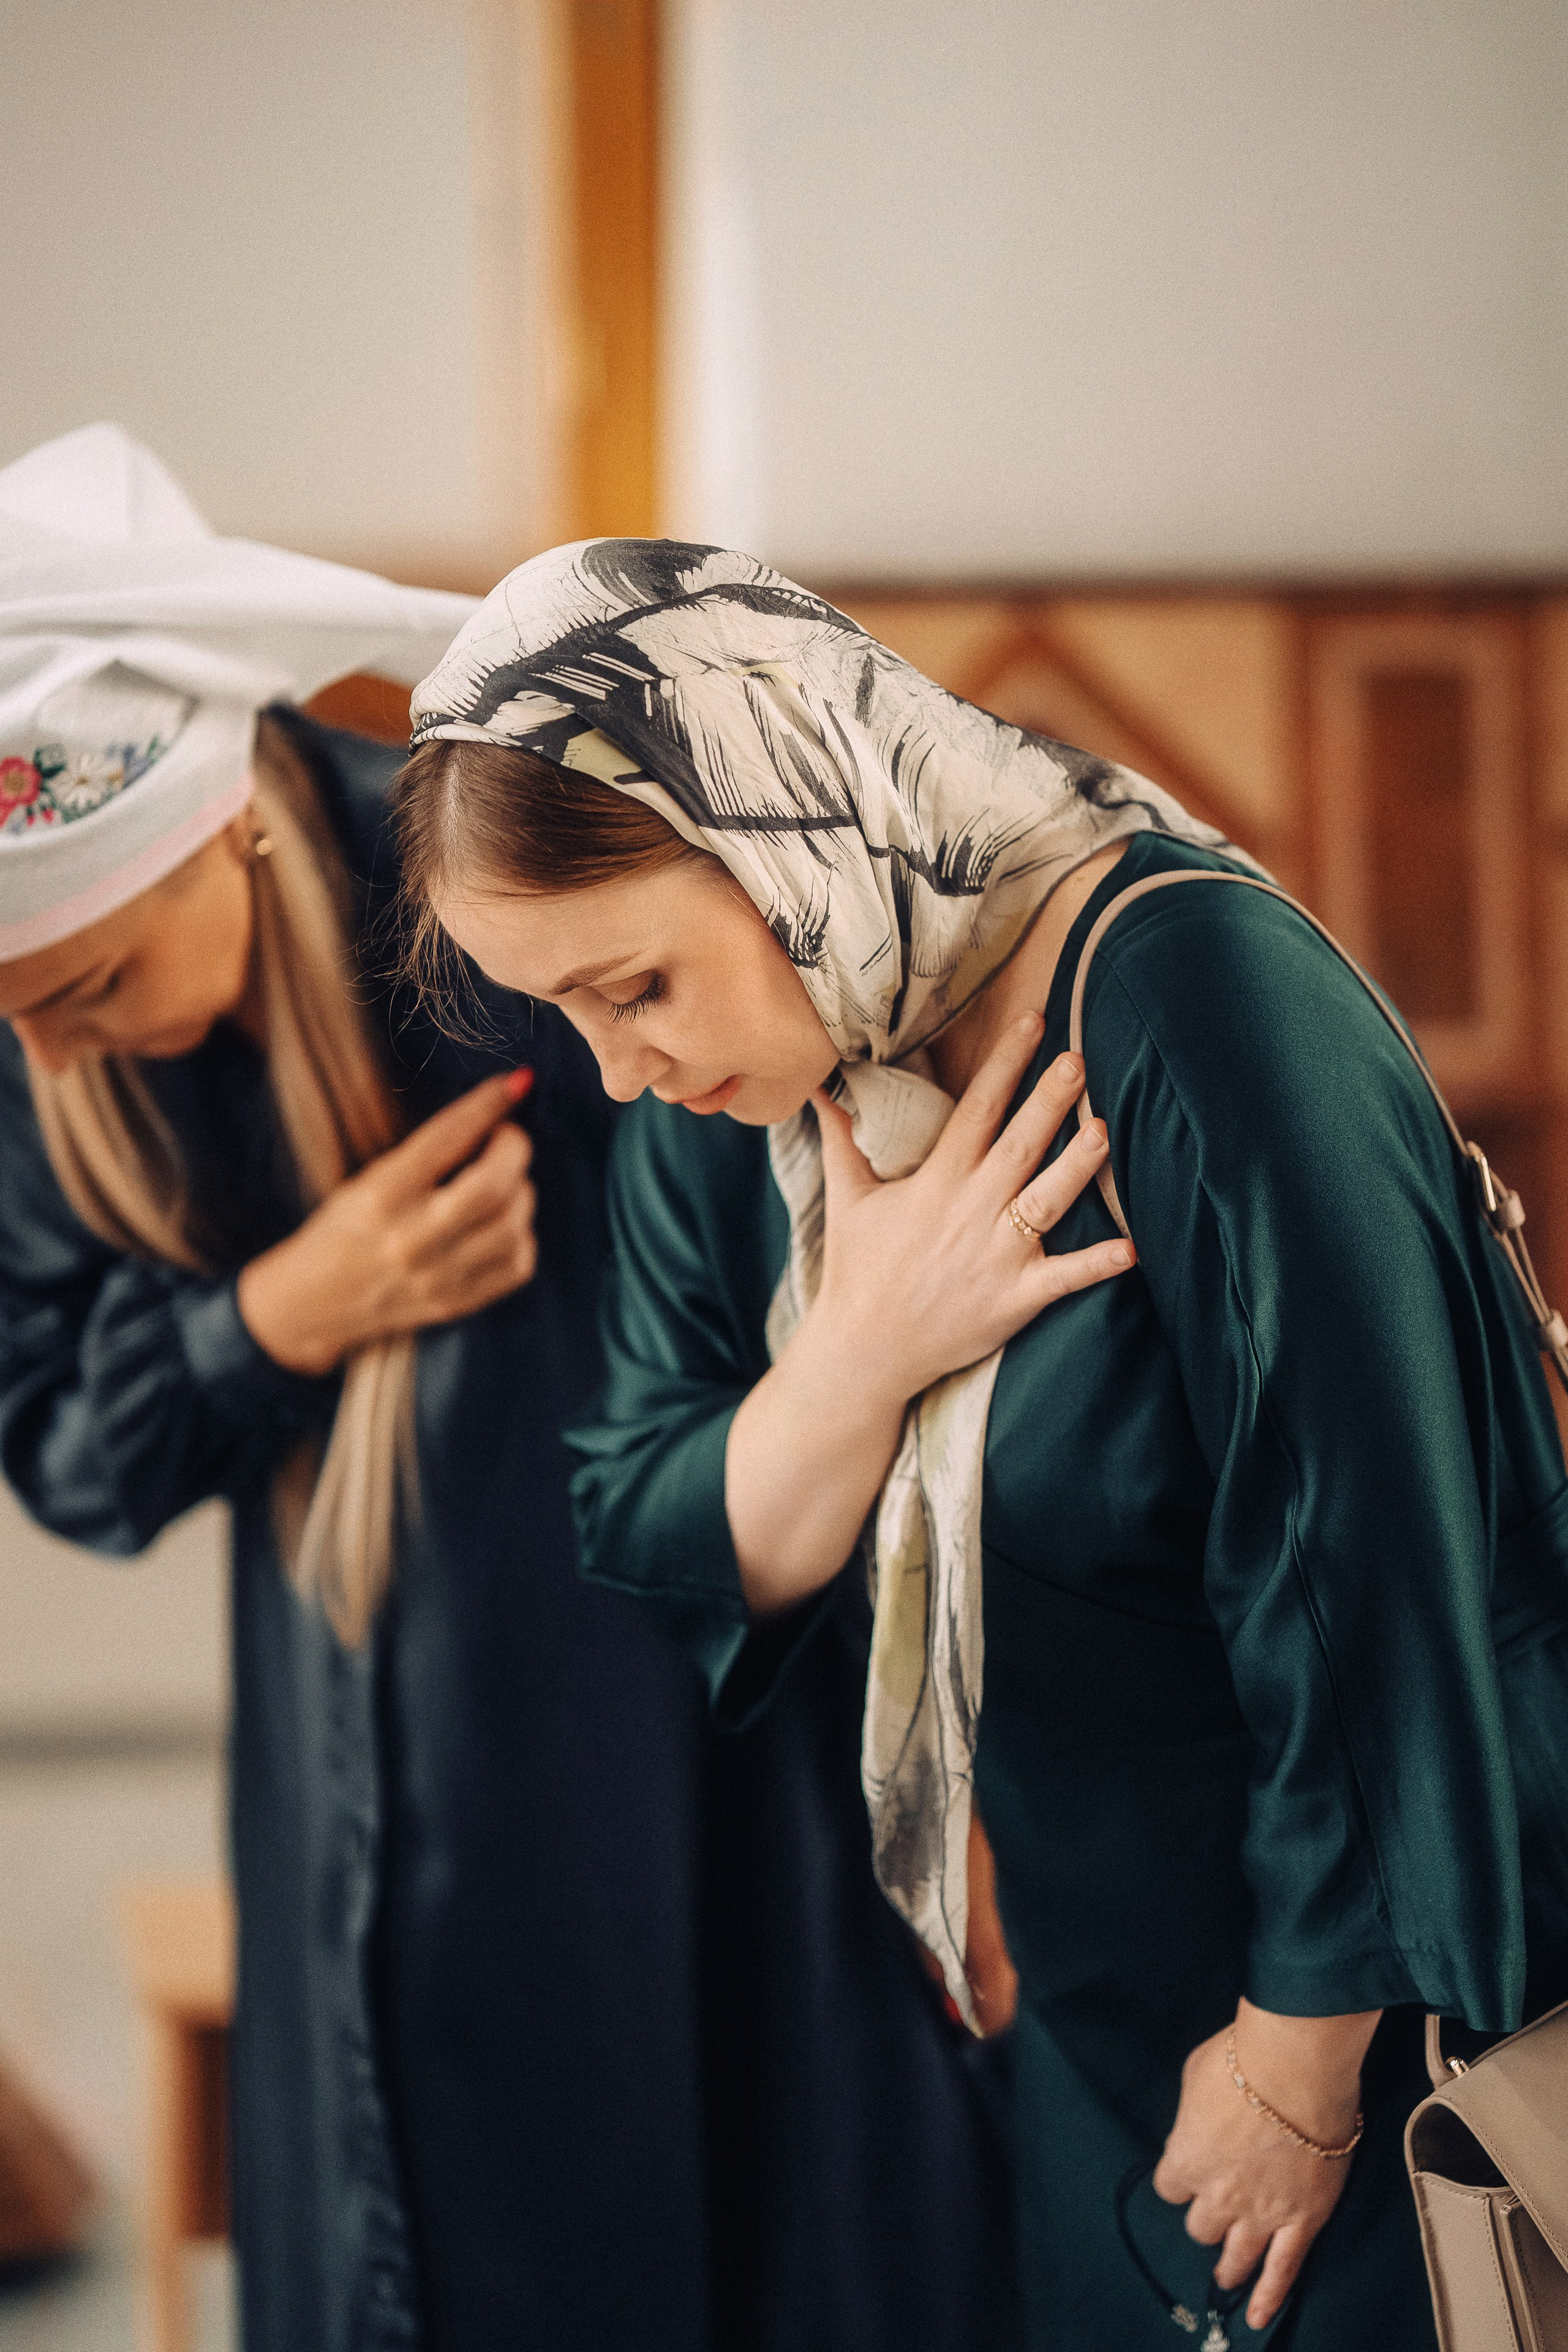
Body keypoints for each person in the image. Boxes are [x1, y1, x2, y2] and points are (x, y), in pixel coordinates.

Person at [393, 536, 1568, 2352]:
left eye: (633, 987)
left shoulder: (1193, 999)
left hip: (1365, 2026)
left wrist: (1295, 2069)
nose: (619, 1068)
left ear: (777, 829)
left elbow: (1376, 1572)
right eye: (563, 1012)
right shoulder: (744, 1102)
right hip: (1083, 2038)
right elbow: (647, 1519)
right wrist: (864, 1352)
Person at [0, 445, 1019, 2351]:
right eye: (20, 1013)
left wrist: (956, 1767)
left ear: (226, 830)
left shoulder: (510, 910)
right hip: (360, 1784)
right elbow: (71, 1460)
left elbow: (827, 1292)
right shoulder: (39, 1042)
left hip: (698, 1730)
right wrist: (278, 1318)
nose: (56, 1047)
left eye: (90, 980)